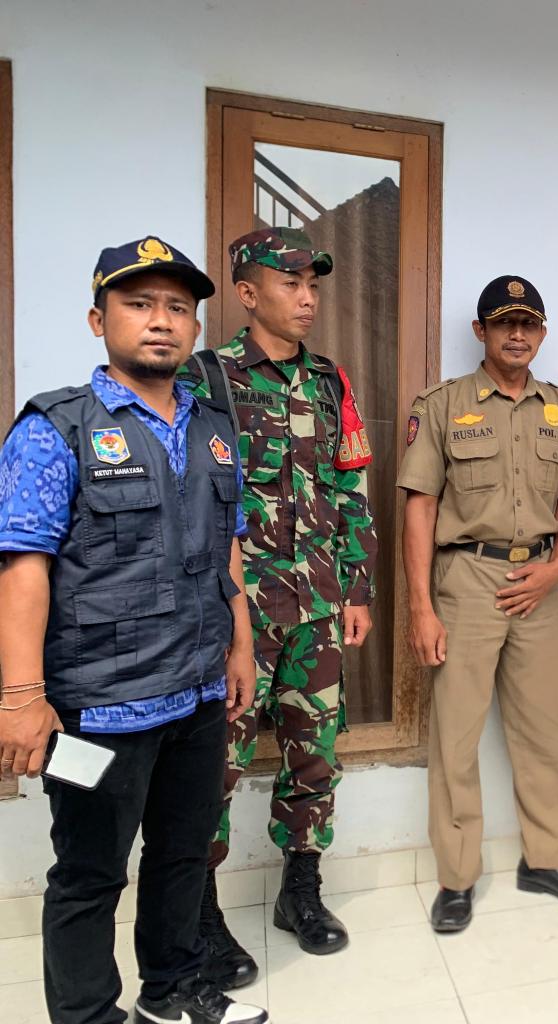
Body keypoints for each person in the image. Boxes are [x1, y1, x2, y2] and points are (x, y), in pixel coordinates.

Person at [0, 237, 268, 1024]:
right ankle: (88, 1016)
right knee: (89, 873)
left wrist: (240, 646)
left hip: (196, 694)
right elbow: (22, 568)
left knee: (183, 853)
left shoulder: (213, 427)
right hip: (98, 708)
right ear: (99, 320)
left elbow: (229, 547)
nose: (161, 321)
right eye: (140, 304)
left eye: (178, 308)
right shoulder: (55, 429)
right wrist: (21, 696)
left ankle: (172, 991)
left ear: (195, 327)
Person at [180, 227, 378, 983]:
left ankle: (301, 890)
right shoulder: (207, 377)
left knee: (314, 754)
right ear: (247, 292)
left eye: (313, 285)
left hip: (318, 605)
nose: (306, 297)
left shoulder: (329, 381)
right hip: (237, 613)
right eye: (290, 282)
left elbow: (348, 488)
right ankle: (200, 912)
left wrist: (356, 588)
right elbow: (189, 496)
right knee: (216, 763)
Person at [399, 275, 558, 934]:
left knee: (545, 730)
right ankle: (457, 878)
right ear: (481, 332)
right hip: (466, 580)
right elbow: (420, 506)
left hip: (537, 583)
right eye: (503, 323)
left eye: (528, 324)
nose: (517, 335)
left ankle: (546, 861)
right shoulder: (442, 405)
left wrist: (557, 569)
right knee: (457, 735)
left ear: (542, 333)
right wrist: (421, 607)